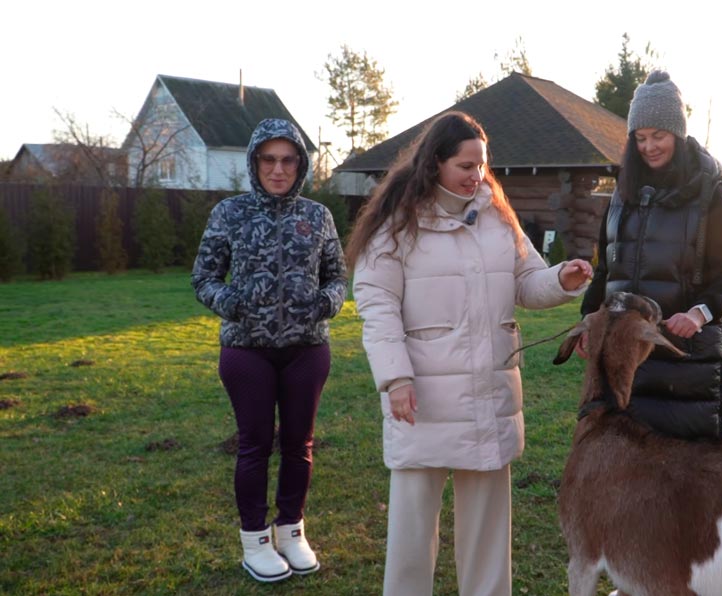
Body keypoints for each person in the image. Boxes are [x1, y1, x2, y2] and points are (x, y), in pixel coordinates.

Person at [347, 111, 592, 596]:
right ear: (434, 162)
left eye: (482, 165)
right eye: (465, 165)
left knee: (487, 529)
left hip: (488, 390)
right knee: (412, 530)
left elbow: (526, 281)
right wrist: (396, 379)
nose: (476, 175)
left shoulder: (498, 216)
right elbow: (376, 307)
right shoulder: (396, 226)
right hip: (422, 398)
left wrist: (561, 279)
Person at [191, 118, 347, 583]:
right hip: (246, 349)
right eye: (269, 160)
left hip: (307, 348)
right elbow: (203, 278)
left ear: (300, 164)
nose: (278, 169)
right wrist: (229, 302)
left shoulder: (318, 217)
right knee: (255, 447)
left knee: (300, 445)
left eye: (288, 160)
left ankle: (292, 531)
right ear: (255, 162)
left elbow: (339, 275)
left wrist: (326, 303)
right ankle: (255, 540)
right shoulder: (229, 214)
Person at [579, 70, 722, 441]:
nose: (649, 146)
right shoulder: (621, 195)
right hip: (627, 355)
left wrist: (699, 312)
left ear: (678, 133)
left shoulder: (709, 193)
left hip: (688, 359)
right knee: (631, 467)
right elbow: (606, 269)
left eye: (658, 136)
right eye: (640, 138)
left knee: (688, 476)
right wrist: (587, 323)